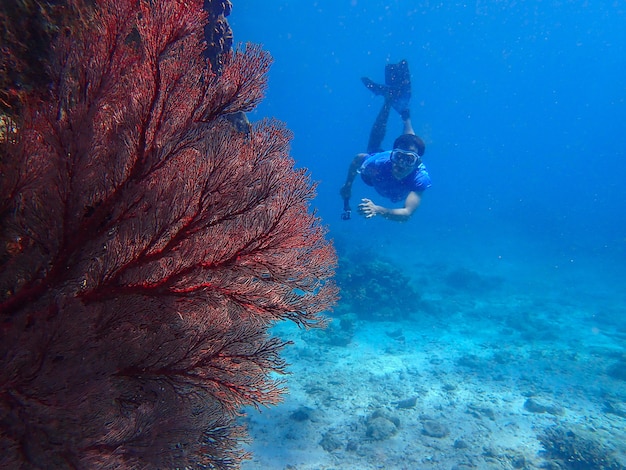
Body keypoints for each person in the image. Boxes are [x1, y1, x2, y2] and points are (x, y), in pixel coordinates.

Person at [340, 60, 431, 222]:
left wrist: (377, 209)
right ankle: (399, 109)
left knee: (408, 142)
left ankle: (396, 107)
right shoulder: (378, 163)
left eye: (409, 160)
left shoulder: (419, 177)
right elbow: (358, 159)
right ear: (392, 156)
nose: (401, 164)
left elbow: (407, 214)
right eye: (399, 157)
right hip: (379, 168)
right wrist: (348, 185)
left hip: (383, 176)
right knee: (374, 147)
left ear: (417, 163)